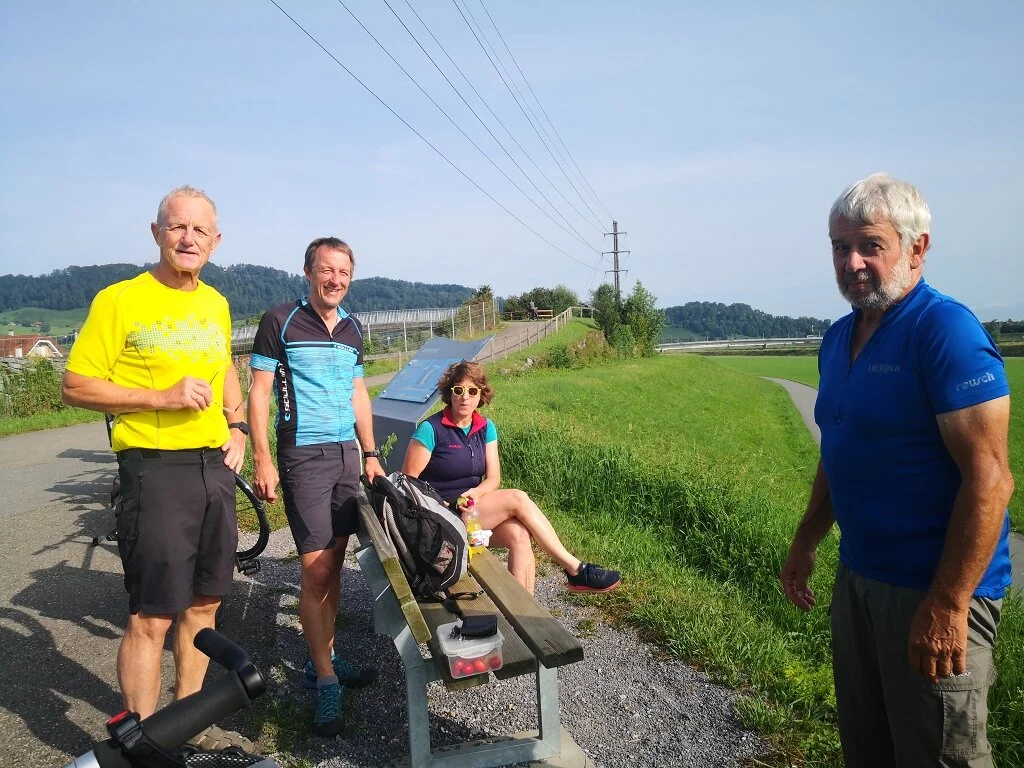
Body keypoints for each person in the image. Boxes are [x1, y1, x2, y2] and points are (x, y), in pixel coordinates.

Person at [779, 173, 1014, 768]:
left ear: (917, 248)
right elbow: (839, 451)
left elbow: (990, 479)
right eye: (839, 246)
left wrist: (950, 604)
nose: (852, 262)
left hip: (933, 588)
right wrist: (807, 540)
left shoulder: (945, 332)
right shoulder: (837, 339)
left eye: (869, 246)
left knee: (939, 754)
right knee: (869, 747)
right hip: (858, 580)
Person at [62, 186, 253, 751]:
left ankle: (185, 726)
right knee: (154, 614)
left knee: (206, 604)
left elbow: (224, 369)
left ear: (216, 241)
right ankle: (140, 746)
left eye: (200, 230)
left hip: (212, 469)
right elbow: (74, 385)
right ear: (156, 233)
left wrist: (238, 427)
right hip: (154, 469)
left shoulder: (215, 303)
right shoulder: (121, 299)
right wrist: (161, 397)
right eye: (177, 227)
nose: (188, 238)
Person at [248, 236, 385, 737]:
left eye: (343, 273)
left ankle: (322, 658)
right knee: (316, 569)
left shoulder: (352, 327)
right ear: (308, 272)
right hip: (303, 455)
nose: (335, 280)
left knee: (335, 563)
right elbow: (259, 392)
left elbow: (357, 391)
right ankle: (326, 680)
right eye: (326, 270)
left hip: (347, 454)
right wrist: (262, 458)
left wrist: (370, 453)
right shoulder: (280, 319)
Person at [402, 360, 621, 596]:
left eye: (472, 391)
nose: (465, 397)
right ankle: (576, 570)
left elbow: (494, 478)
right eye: (459, 390)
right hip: (441, 517)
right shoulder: (431, 429)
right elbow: (408, 484)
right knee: (517, 498)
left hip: (471, 512)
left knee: (519, 534)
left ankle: (524, 614)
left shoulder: (486, 428)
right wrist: (448, 503)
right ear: (450, 393)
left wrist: (474, 494)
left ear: (480, 396)